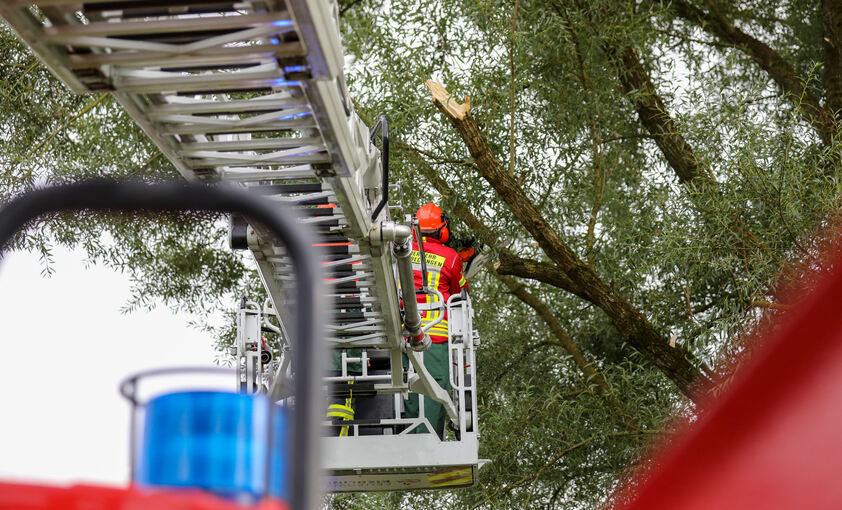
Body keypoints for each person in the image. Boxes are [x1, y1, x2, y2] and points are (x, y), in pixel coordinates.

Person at [404, 202, 468, 439]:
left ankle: (403, 437)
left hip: (400, 333)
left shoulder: (399, 251)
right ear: (443, 231)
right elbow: (460, 294)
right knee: (435, 389)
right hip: (434, 338)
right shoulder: (450, 257)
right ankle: (428, 440)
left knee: (404, 389)